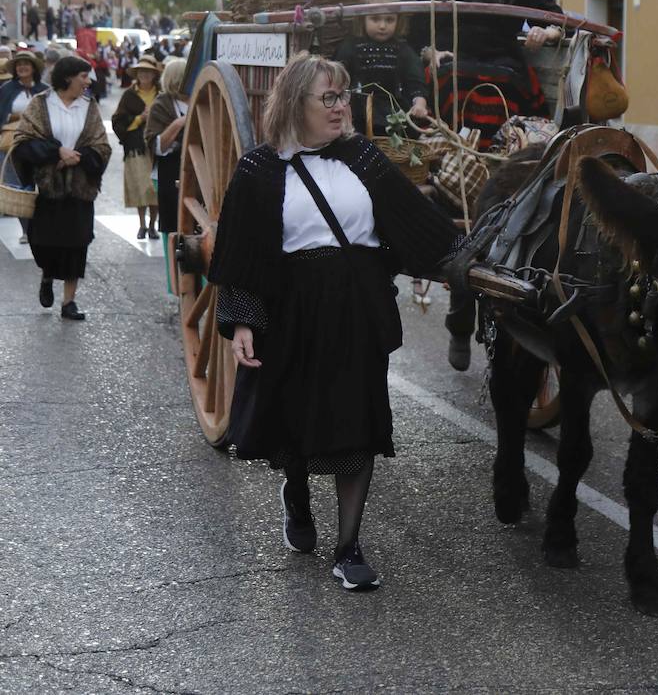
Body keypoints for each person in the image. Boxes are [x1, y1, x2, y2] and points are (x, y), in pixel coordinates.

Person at [208, 52, 462, 591]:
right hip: (291, 310)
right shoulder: (259, 168)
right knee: (297, 418)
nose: (341, 107)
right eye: (329, 97)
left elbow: (417, 225)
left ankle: (349, 546)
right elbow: (244, 254)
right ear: (295, 103)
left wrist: (466, 260)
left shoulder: (364, 157)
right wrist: (243, 321)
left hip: (356, 309)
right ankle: (296, 497)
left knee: (358, 422)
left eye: (344, 95)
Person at [409, 0, 561, 148]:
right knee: (450, 76)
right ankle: (451, 151)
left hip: (504, 63)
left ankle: (496, 152)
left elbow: (558, 20)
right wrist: (430, 52)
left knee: (504, 81)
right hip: (453, 60)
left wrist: (546, 32)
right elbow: (416, 33)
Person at [9, 56, 111, 320]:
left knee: (77, 244)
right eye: (83, 76)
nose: (88, 82)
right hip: (48, 187)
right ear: (68, 78)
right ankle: (47, 275)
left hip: (80, 188)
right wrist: (57, 153)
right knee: (43, 243)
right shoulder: (41, 104)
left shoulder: (89, 107)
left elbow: (101, 146)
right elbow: (23, 141)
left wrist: (80, 157)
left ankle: (69, 302)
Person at [334, 0, 429, 135]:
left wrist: (419, 104)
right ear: (362, 19)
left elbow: (416, 83)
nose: (382, 26)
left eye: (389, 20)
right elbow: (337, 78)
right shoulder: (350, 47)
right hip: (358, 113)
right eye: (375, 19)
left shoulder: (403, 50)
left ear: (398, 21)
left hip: (395, 113)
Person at [0, 49, 49, 243]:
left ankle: (44, 226)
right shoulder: (6, 90)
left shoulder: (45, 90)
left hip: (41, 142)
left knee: (44, 185)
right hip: (13, 144)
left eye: (26, 64)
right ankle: (27, 231)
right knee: (20, 187)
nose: (22, 67)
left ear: (33, 68)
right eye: (19, 64)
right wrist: (16, 117)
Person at [111, 55, 162, 238]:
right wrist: (140, 118)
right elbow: (118, 121)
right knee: (140, 187)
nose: (144, 75)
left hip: (158, 147)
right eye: (141, 72)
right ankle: (142, 224)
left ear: (154, 75)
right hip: (136, 147)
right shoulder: (129, 95)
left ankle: (152, 225)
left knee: (154, 188)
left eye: (148, 72)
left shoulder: (161, 94)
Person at [144, 57, 189, 258]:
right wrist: (179, 124)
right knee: (172, 225)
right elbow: (157, 145)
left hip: (196, 169)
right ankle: (175, 279)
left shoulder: (200, 98)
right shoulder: (162, 105)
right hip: (169, 170)